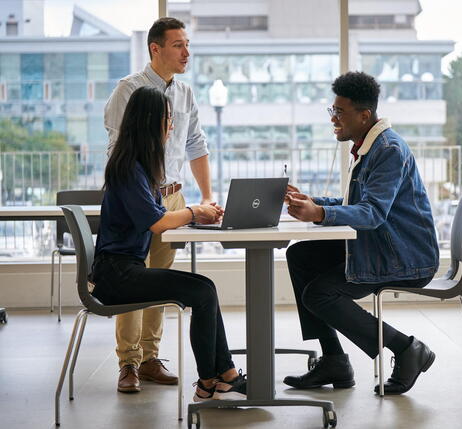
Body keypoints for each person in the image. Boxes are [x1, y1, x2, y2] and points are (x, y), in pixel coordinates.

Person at [283, 71, 439, 395]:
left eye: (339, 112)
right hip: (380, 244)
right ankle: (334, 360)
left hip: (405, 256)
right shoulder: (368, 147)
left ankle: (406, 348)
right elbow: (354, 204)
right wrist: (314, 203)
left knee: (319, 293)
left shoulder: (388, 150)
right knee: (299, 254)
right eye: (333, 111)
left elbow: (372, 213)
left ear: (364, 115)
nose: (333, 119)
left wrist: (321, 214)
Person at [91, 86, 246, 401]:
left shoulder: (137, 165)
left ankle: (225, 375)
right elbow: (158, 222)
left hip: (121, 270)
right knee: (202, 291)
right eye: (167, 119)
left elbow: (158, 215)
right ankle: (211, 381)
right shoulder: (128, 168)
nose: (171, 126)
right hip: (116, 276)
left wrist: (195, 215)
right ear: (150, 122)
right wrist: (194, 211)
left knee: (204, 288)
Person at [104, 17, 212, 393]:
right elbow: (121, 150)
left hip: (173, 197)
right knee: (133, 275)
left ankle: (150, 358)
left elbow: (196, 145)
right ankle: (128, 362)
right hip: (140, 198)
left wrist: (206, 197)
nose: (187, 52)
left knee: (158, 282)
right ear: (156, 49)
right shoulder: (129, 90)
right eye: (179, 45)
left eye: (187, 44)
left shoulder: (185, 93)